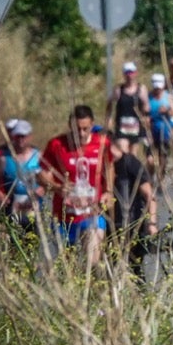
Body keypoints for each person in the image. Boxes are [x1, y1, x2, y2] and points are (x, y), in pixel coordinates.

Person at [40, 105, 114, 266]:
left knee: (92, 262)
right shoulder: (56, 145)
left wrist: (108, 190)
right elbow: (42, 174)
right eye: (77, 129)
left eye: (85, 129)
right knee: (68, 266)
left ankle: (92, 288)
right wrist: (56, 187)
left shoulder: (102, 144)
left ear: (92, 125)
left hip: (92, 213)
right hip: (64, 215)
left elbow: (109, 166)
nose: (81, 134)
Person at [0, 118, 46, 239]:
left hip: (33, 208)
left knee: (31, 246)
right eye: (18, 136)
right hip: (10, 208)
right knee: (10, 248)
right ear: (13, 137)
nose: (21, 140)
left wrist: (42, 189)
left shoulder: (39, 156)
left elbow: (49, 181)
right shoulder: (3, 158)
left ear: (30, 136)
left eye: (24, 136)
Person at [109, 134, 159, 279]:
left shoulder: (130, 163)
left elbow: (149, 195)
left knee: (135, 268)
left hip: (131, 224)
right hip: (110, 226)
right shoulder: (102, 166)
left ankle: (142, 298)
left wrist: (152, 223)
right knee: (111, 269)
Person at [107, 61, 149, 156]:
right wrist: (109, 119)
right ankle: (124, 169)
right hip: (122, 127)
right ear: (124, 74)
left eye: (131, 72)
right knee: (123, 150)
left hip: (136, 126)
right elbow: (109, 103)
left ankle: (130, 170)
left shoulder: (141, 89)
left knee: (133, 154)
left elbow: (146, 106)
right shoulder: (118, 89)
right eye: (127, 73)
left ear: (136, 73)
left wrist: (145, 116)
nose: (130, 75)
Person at [146, 72, 173, 169]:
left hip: (165, 133)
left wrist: (167, 110)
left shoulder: (169, 97)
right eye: (156, 87)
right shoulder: (148, 97)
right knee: (150, 161)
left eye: (159, 87)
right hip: (152, 134)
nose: (157, 90)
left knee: (162, 161)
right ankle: (151, 179)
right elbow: (143, 113)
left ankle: (160, 181)